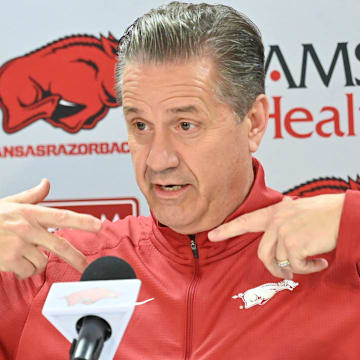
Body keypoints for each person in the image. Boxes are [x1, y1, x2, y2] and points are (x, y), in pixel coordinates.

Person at [0, 2, 359, 359]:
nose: (158, 159)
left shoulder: (339, 262)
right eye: (140, 126)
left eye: (185, 125)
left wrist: (351, 221)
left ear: (254, 122)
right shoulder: (54, 267)